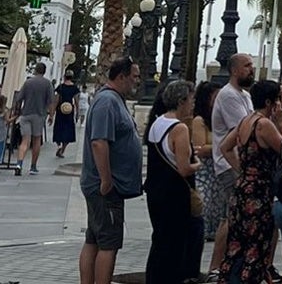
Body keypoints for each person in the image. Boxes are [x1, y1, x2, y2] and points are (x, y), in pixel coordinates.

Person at [79, 56, 143, 284]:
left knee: (95, 238)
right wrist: (106, 180)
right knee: (108, 243)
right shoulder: (107, 101)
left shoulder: (114, 100)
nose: (137, 81)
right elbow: (99, 142)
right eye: (134, 76)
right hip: (105, 187)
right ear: (121, 76)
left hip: (108, 185)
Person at [220, 79, 282, 284]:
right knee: (256, 245)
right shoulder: (264, 124)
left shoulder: (245, 121)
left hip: (242, 189)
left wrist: (242, 169)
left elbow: (224, 147)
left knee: (237, 243)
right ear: (270, 103)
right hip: (259, 192)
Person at [146, 79, 203, 284]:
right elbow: (184, 168)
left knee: (160, 242)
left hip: (156, 191)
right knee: (176, 245)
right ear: (181, 101)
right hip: (175, 195)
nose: (193, 104)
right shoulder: (180, 129)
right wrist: (198, 164)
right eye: (191, 99)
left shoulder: (157, 122)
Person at [209, 53, 256, 279]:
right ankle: (216, 267)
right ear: (235, 70)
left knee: (235, 216)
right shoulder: (228, 96)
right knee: (230, 217)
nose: (251, 69)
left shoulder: (244, 96)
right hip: (230, 164)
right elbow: (244, 128)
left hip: (241, 164)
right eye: (247, 66)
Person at [13, 62, 55, 176]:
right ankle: (33, 166)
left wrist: (17, 111)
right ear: (44, 71)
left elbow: (19, 98)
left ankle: (19, 164)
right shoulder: (48, 84)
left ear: (35, 70)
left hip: (26, 114)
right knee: (37, 140)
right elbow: (51, 101)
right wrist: (51, 115)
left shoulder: (28, 82)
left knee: (25, 141)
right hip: (39, 115)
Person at [191, 81, 221, 241]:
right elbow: (200, 149)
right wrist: (223, 144)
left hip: (217, 173)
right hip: (205, 173)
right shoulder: (199, 121)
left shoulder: (218, 120)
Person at [54, 71, 81, 159]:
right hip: (69, 111)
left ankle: (58, 145)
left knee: (58, 128)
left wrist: (52, 112)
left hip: (60, 110)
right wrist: (77, 112)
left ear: (65, 77)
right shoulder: (74, 88)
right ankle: (62, 150)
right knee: (68, 131)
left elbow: (56, 100)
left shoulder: (60, 87)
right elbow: (76, 101)